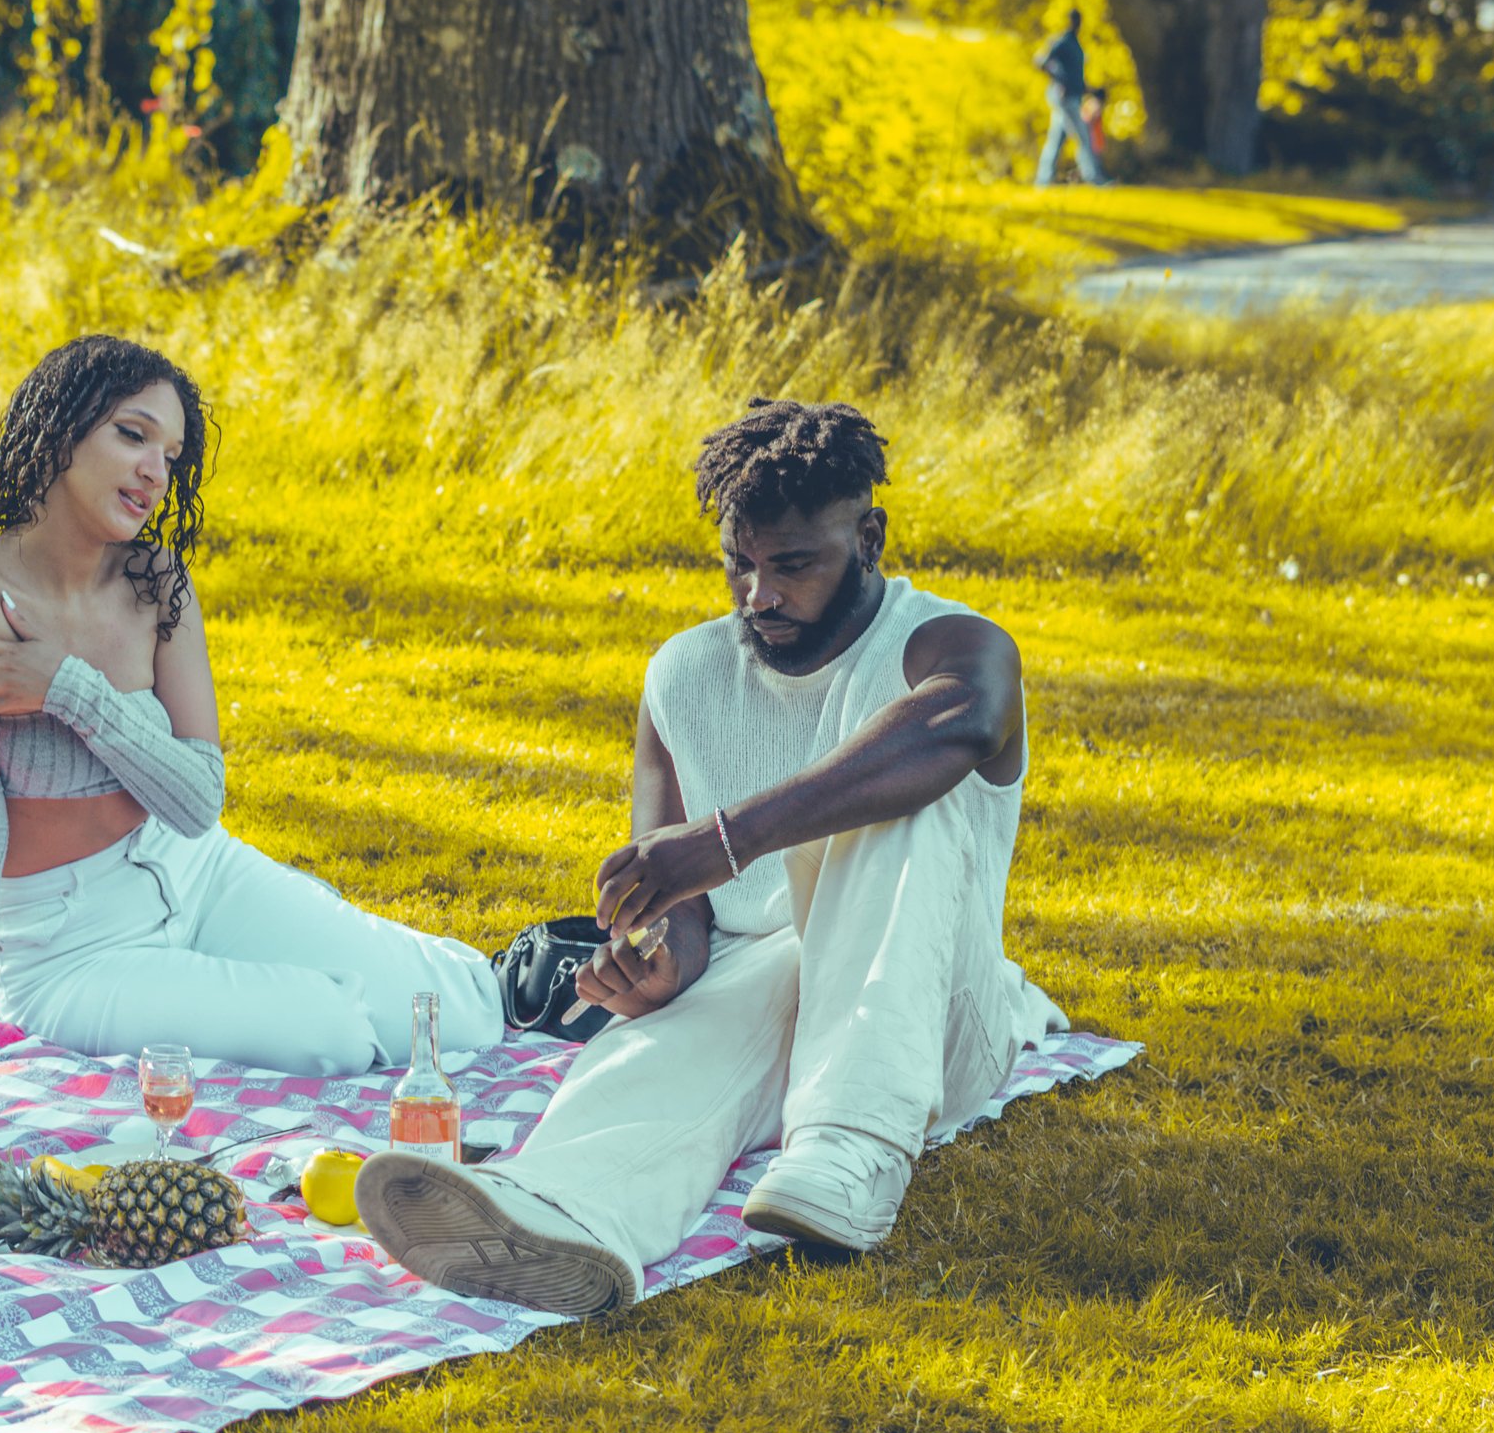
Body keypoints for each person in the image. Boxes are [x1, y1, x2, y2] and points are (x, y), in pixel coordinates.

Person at [355, 399, 1067, 1317]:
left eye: (793, 566)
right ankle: (564, 1208)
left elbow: (960, 724)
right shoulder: (684, 675)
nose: (758, 596)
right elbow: (680, 905)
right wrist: (663, 963)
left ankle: (853, 1151)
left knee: (900, 794)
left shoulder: (952, 645)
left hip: (931, 1024)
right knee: (697, 1017)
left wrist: (727, 840)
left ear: (871, 538)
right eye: (740, 564)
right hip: (759, 1008)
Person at [0, 334, 501, 1080]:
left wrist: (68, 687)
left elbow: (198, 802)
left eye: (170, 456)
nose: (153, 471)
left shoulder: (155, 582)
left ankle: (348, 943)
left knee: (463, 1011)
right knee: (333, 1032)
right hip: (73, 950)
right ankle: (311, 956)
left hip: (199, 870)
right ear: (61, 427)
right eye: (132, 434)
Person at [1033, 9, 1106, 188]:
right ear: (1069, 21)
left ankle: (1043, 180)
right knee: (1084, 136)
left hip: (1074, 96)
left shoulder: (1075, 44)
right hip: (1065, 97)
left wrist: (1090, 90)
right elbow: (1041, 61)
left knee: (1056, 139)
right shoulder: (1063, 42)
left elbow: (1075, 77)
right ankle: (1094, 177)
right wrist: (1059, 81)